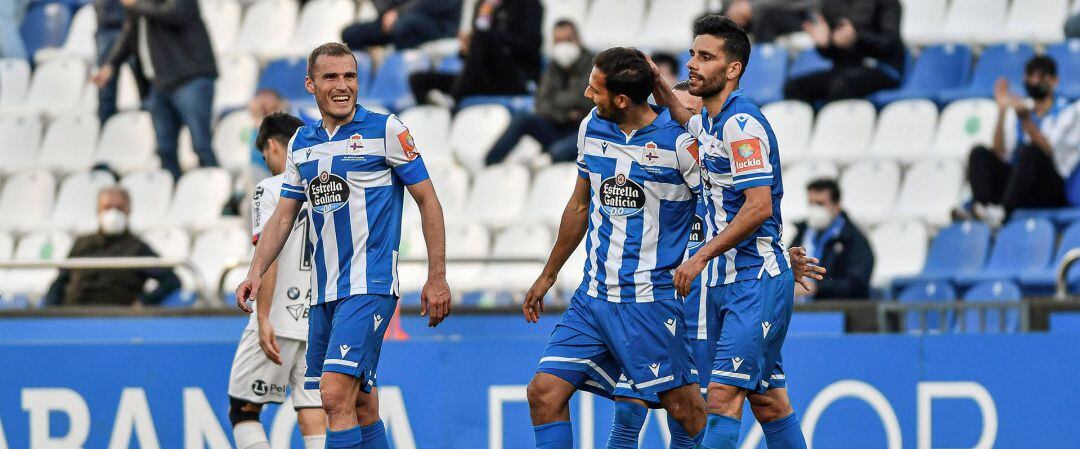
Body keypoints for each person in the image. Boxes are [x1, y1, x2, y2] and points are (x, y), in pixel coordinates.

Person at [234, 42, 452, 449]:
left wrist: (436, 277)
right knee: (362, 405)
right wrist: (255, 272)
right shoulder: (302, 142)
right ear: (311, 84)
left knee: (333, 396)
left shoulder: (387, 131)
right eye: (331, 77)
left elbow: (428, 200)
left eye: (349, 76)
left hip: (369, 285)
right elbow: (283, 217)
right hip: (324, 294)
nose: (342, 85)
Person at [521, 47, 709, 449]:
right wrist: (548, 274)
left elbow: (724, 211)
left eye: (595, 89)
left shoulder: (679, 146)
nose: (588, 96)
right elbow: (579, 204)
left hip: (649, 302)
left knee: (689, 414)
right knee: (543, 393)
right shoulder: (592, 126)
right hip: (592, 299)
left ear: (622, 100)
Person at [656, 15, 809, 449]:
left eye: (706, 57)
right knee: (770, 404)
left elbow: (758, 206)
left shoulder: (742, 124)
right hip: (727, 282)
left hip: (753, 280)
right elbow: (680, 110)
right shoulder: (710, 121)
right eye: (692, 54)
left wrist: (700, 255)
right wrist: (654, 79)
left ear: (733, 68)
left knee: (721, 398)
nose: (693, 64)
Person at [228, 113, 326, 449]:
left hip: (279, 318)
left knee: (243, 411)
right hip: (318, 320)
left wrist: (264, 316)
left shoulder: (269, 189)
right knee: (313, 412)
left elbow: (266, 257)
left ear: (272, 146)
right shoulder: (325, 188)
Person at [93, 0, 218, 179]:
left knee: (201, 144)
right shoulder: (140, 7)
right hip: (160, 83)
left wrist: (136, 4)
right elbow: (129, 35)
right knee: (165, 149)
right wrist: (110, 65)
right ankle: (174, 194)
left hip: (190, 77)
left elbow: (176, 13)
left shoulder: (142, 5)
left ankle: (216, 192)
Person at [967, 55, 1077, 220]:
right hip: (1019, 184)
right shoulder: (1022, 110)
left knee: (1032, 152)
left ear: (1054, 81)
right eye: (1030, 77)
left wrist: (1026, 121)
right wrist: (1002, 110)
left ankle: (1003, 212)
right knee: (979, 153)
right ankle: (982, 207)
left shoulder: (1068, 112)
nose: (1033, 82)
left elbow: (1048, 151)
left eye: (1040, 77)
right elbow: (999, 152)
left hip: (1051, 187)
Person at [44, 186, 180, 306]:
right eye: (108, 207)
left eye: (119, 208)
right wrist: (50, 313)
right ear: (99, 210)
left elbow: (171, 280)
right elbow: (60, 282)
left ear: (128, 210)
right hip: (72, 316)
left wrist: (144, 302)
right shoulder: (82, 243)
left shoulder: (138, 248)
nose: (113, 213)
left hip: (114, 319)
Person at [485, 19, 593, 165]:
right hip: (557, 126)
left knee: (558, 151)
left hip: (583, 131)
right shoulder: (553, 64)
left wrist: (556, 102)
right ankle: (488, 163)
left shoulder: (594, 65)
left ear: (578, 40)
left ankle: (546, 160)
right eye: (559, 41)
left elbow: (582, 99)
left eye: (568, 40)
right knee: (523, 118)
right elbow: (541, 103)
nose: (564, 46)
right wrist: (567, 113)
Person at [408, 0, 542, 105]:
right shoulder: (482, 5)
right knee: (418, 80)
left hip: (515, 77)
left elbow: (531, 47)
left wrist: (492, 39)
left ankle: (454, 99)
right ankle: (439, 125)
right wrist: (466, 48)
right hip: (480, 77)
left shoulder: (529, 4)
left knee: (481, 36)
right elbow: (476, 52)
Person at [782, 0, 904, 103]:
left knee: (841, 86)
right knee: (794, 88)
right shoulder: (832, 4)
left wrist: (857, 39)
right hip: (845, 69)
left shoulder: (887, 2)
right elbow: (830, 52)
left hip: (882, 68)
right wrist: (824, 44)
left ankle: (835, 128)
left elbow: (890, 44)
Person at [790, 179, 873, 300]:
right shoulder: (802, 232)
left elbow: (856, 283)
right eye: (811, 204)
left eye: (820, 204)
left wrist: (817, 287)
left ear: (837, 205)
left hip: (837, 311)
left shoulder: (852, 239)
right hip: (799, 309)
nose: (814, 210)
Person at [94, 0, 149, 125]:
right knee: (106, 87)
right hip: (106, 26)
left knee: (144, 80)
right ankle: (104, 132)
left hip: (134, 24)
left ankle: (150, 127)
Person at [341, 0, 461, 51]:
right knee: (351, 34)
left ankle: (400, 81)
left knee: (404, 27)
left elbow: (430, 5)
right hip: (400, 22)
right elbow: (387, 8)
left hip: (438, 24)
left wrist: (399, 12)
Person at [722, 0, 817, 43]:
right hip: (746, 20)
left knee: (765, 18)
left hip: (798, 14)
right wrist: (735, 7)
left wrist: (751, 7)